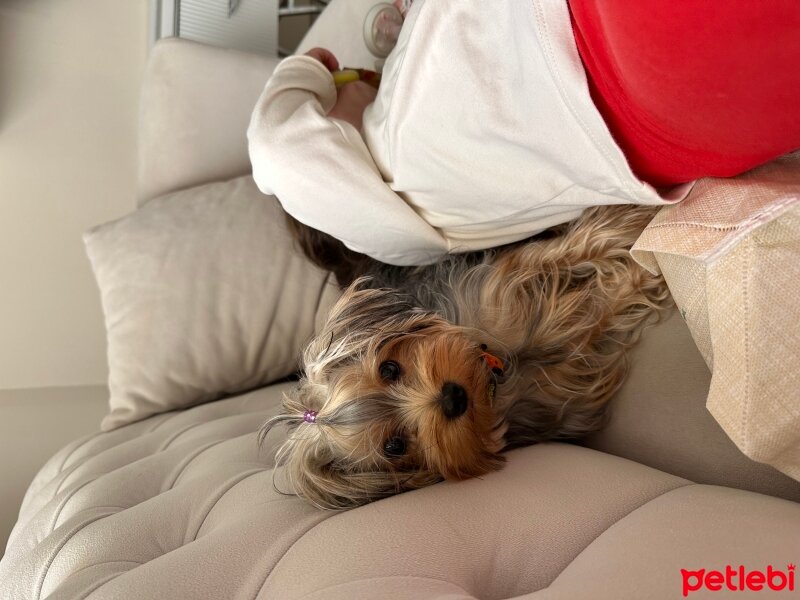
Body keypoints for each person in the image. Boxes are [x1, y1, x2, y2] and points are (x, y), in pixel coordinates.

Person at [248, 0, 800, 273]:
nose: (357, 74)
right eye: (339, 85)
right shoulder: (396, 151)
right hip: (623, 50)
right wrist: (309, 69)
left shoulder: (457, 225)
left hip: (690, 135)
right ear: (329, 152)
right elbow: (276, 147)